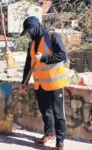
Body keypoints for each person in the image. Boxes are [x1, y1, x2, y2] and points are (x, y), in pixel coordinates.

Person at [20, 16, 68, 150]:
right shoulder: (32, 43)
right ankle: (48, 134)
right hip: (39, 84)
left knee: (58, 114)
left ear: (36, 27)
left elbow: (63, 55)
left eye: (30, 31)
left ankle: (60, 142)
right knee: (45, 111)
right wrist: (24, 82)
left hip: (55, 83)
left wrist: (44, 58)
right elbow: (28, 65)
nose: (29, 34)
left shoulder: (52, 37)